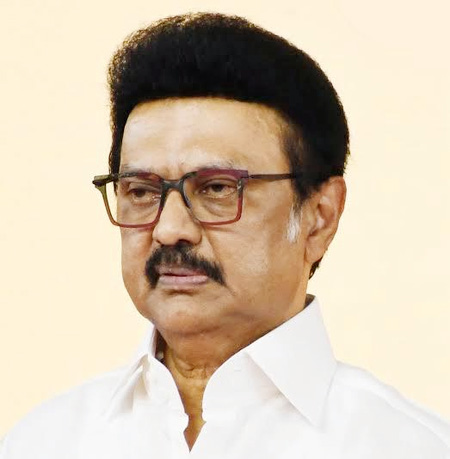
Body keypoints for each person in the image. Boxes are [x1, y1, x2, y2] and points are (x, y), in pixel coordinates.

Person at [1, 12, 449, 459]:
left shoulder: (407, 446)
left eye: (216, 188)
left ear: (320, 217)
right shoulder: (43, 443)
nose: (169, 230)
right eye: (141, 191)